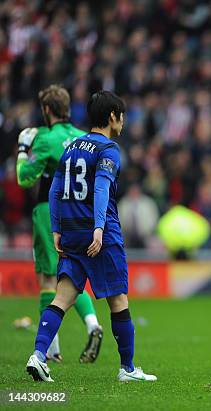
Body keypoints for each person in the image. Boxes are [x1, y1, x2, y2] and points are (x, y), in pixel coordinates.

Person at [25, 90, 156, 383]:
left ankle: (38, 355)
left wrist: (57, 229)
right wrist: (98, 227)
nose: (122, 122)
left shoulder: (71, 147)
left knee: (63, 296)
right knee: (118, 299)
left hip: (70, 232)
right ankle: (128, 368)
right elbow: (101, 187)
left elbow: (55, 188)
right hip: (100, 234)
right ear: (112, 117)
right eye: (121, 116)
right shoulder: (108, 149)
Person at [16, 84, 102, 363]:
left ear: (46, 110)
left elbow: (25, 178)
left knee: (47, 278)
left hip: (47, 210)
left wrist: (21, 149)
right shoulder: (82, 137)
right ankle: (92, 323)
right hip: (78, 213)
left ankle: (51, 348)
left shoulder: (45, 137)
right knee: (72, 275)